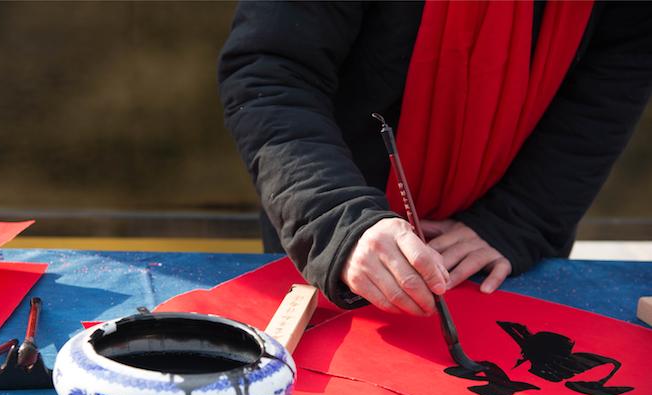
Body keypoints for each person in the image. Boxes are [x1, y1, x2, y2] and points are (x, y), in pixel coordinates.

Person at [217, 2, 652, 316]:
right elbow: (271, 69)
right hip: (332, 218)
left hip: (504, 247)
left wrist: (520, 218)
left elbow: (614, 76)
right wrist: (337, 221)